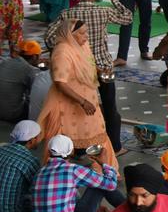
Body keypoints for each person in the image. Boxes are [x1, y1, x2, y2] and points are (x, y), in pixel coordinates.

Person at [44, 0, 131, 154]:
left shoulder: (67, 14)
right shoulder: (103, 12)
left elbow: (49, 37)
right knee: (109, 106)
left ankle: (82, 148)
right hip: (104, 67)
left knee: (80, 107)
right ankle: (115, 146)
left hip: (80, 70)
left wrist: (66, 49)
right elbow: (127, 17)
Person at [37, 21, 118, 169]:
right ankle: (54, 174)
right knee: (60, 141)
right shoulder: (62, 52)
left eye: (86, 32)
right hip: (67, 105)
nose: (86, 36)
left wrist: (100, 72)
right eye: (81, 33)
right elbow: (60, 83)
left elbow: (89, 65)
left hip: (88, 98)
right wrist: (82, 102)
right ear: (69, 35)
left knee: (98, 135)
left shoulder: (82, 46)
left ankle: (107, 171)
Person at [32, 134, 121, 212]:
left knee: (74, 192)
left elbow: (65, 199)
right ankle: (131, 211)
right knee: (99, 185)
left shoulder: (40, 173)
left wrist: (92, 206)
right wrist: (104, 163)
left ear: (49, 152)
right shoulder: (73, 170)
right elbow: (111, 184)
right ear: (72, 152)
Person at [0, 120, 42, 212]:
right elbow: (38, 189)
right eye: (38, 136)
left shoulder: (2, 149)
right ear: (32, 140)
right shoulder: (30, 161)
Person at [0, 41, 41, 122]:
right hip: (10, 114)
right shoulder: (29, 69)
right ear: (34, 57)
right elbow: (34, 94)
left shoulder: (5, 62)